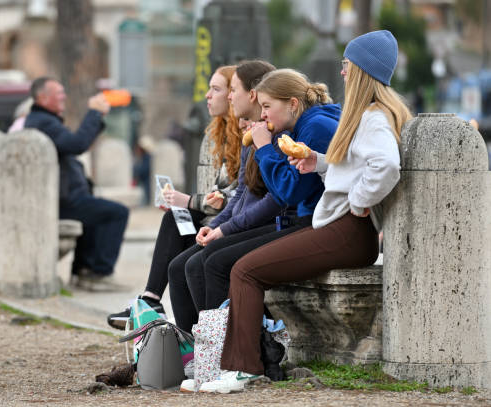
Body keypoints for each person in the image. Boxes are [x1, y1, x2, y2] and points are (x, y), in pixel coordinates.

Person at [200, 30, 412, 393]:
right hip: (340, 228)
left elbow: (385, 167)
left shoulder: (374, 116)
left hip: (346, 230)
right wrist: (318, 162)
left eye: (347, 64)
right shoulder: (368, 113)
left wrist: (359, 202)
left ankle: (244, 368)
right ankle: (238, 365)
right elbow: (356, 164)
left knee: (245, 271)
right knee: (243, 269)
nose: (342, 72)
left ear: (362, 69)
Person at [183, 68, 341, 315]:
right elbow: (256, 190)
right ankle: (208, 345)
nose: (263, 113)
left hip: (315, 226)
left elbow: (286, 193)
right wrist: (220, 227)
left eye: (267, 106)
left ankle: (231, 346)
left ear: (292, 104)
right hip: (302, 222)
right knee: (200, 259)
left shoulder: (316, 127)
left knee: (219, 263)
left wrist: (265, 147)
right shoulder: (299, 127)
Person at [106, 65, 242, 329]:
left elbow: (235, 198)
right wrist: (183, 204)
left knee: (183, 245)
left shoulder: (249, 133)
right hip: (212, 220)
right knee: (175, 217)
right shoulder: (212, 135)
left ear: (233, 95)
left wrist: (189, 201)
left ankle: (164, 314)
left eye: (216, 89)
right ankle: (150, 300)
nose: (207, 96)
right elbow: (210, 196)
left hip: (230, 224)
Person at [168, 60, 281, 333]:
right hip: (244, 223)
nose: (229, 97)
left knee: (205, 263)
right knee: (178, 266)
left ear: (252, 94)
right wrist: (215, 226)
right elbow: (242, 190)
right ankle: (194, 351)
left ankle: (219, 353)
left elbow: (276, 198)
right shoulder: (251, 134)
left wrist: (225, 229)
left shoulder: (273, 133)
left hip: (271, 225)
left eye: (232, 89)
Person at [24, 77, 129, 292]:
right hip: (65, 200)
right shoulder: (43, 122)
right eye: (58, 93)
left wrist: (97, 117)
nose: (63, 96)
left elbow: (75, 144)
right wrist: (93, 112)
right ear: (42, 98)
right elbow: (77, 144)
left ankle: (83, 271)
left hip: (66, 197)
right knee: (117, 213)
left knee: (93, 213)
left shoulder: (43, 121)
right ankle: (98, 273)